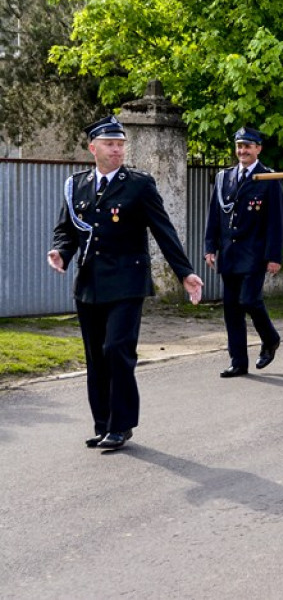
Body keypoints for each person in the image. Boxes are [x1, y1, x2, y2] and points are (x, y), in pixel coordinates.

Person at [48, 115, 203, 450]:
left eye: (120, 144)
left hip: (128, 282)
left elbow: (164, 230)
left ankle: (121, 425)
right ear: (93, 148)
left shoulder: (139, 185)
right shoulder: (77, 185)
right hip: (90, 284)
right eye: (110, 144)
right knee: (96, 357)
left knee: (116, 349)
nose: (117, 150)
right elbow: (68, 229)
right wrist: (61, 252)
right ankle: (103, 425)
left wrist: (184, 272)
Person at [204, 127, 283, 378]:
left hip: (254, 253)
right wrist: (210, 247)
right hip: (229, 253)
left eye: (248, 146)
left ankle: (270, 339)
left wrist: (274, 256)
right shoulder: (224, 177)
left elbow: (276, 221)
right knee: (232, 310)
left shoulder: (269, 178)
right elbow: (215, 214)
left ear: (258, 149)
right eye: (239, 146)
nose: (243, 151)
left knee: (249, 300)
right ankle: (238, 362)